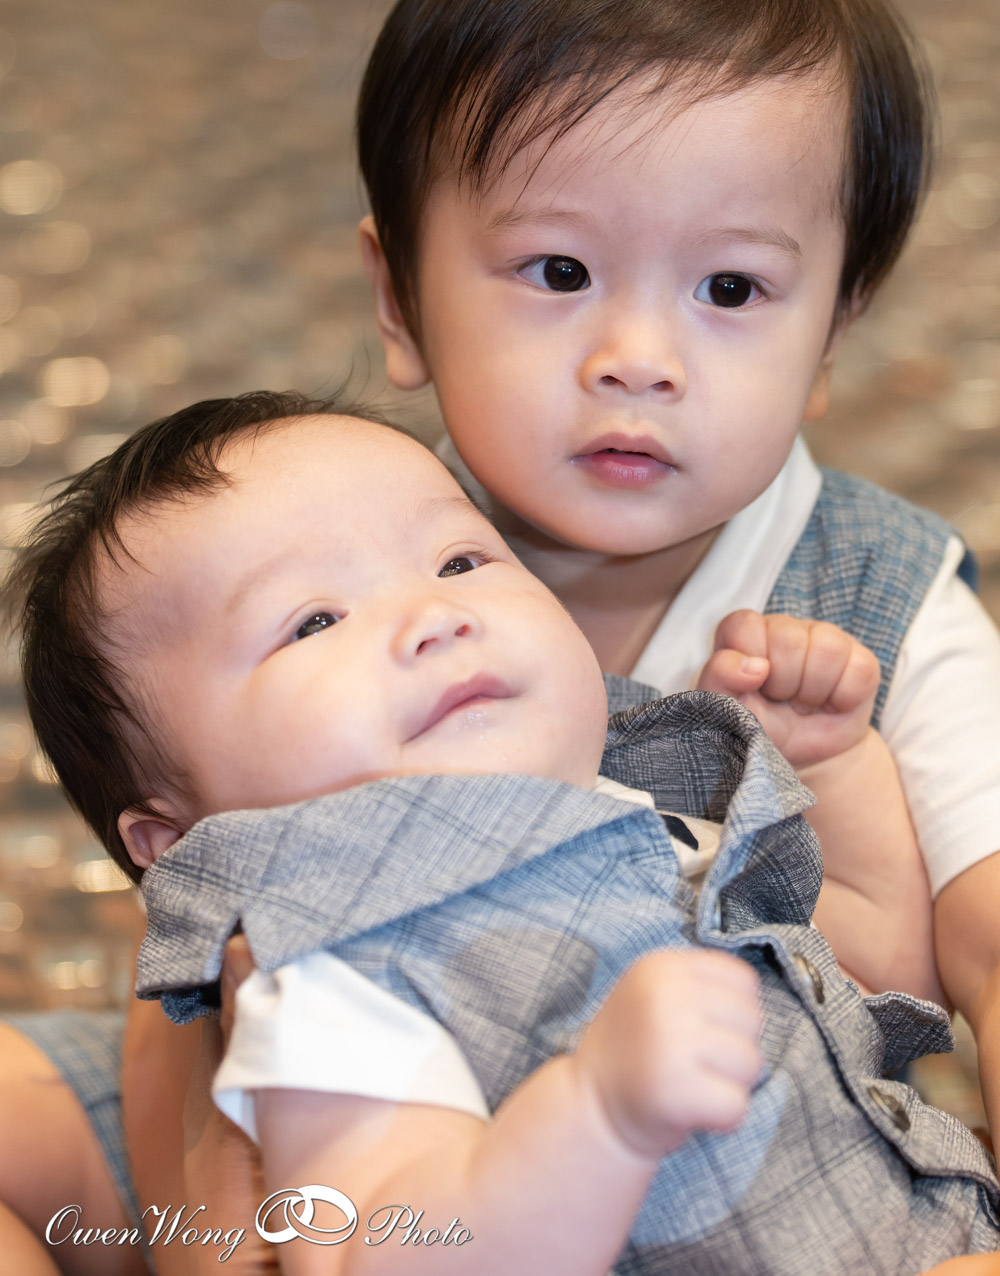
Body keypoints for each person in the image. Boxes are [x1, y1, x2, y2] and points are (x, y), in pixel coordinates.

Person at [4, 392, 998, 1275]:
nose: (434, 614)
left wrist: (830, 764)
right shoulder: (342, 970)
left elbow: (878, 977)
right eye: (313, 622)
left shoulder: (638, 809)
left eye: (461, 560)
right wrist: (595, 1118)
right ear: (181, 843)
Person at [354, 0, 1000, 1129]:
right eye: (558, 270)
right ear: (400, 297)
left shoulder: (885, 603)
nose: (639, 357)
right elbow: (211, 907)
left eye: (730, 290)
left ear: (830, 338)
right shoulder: (322, 569)